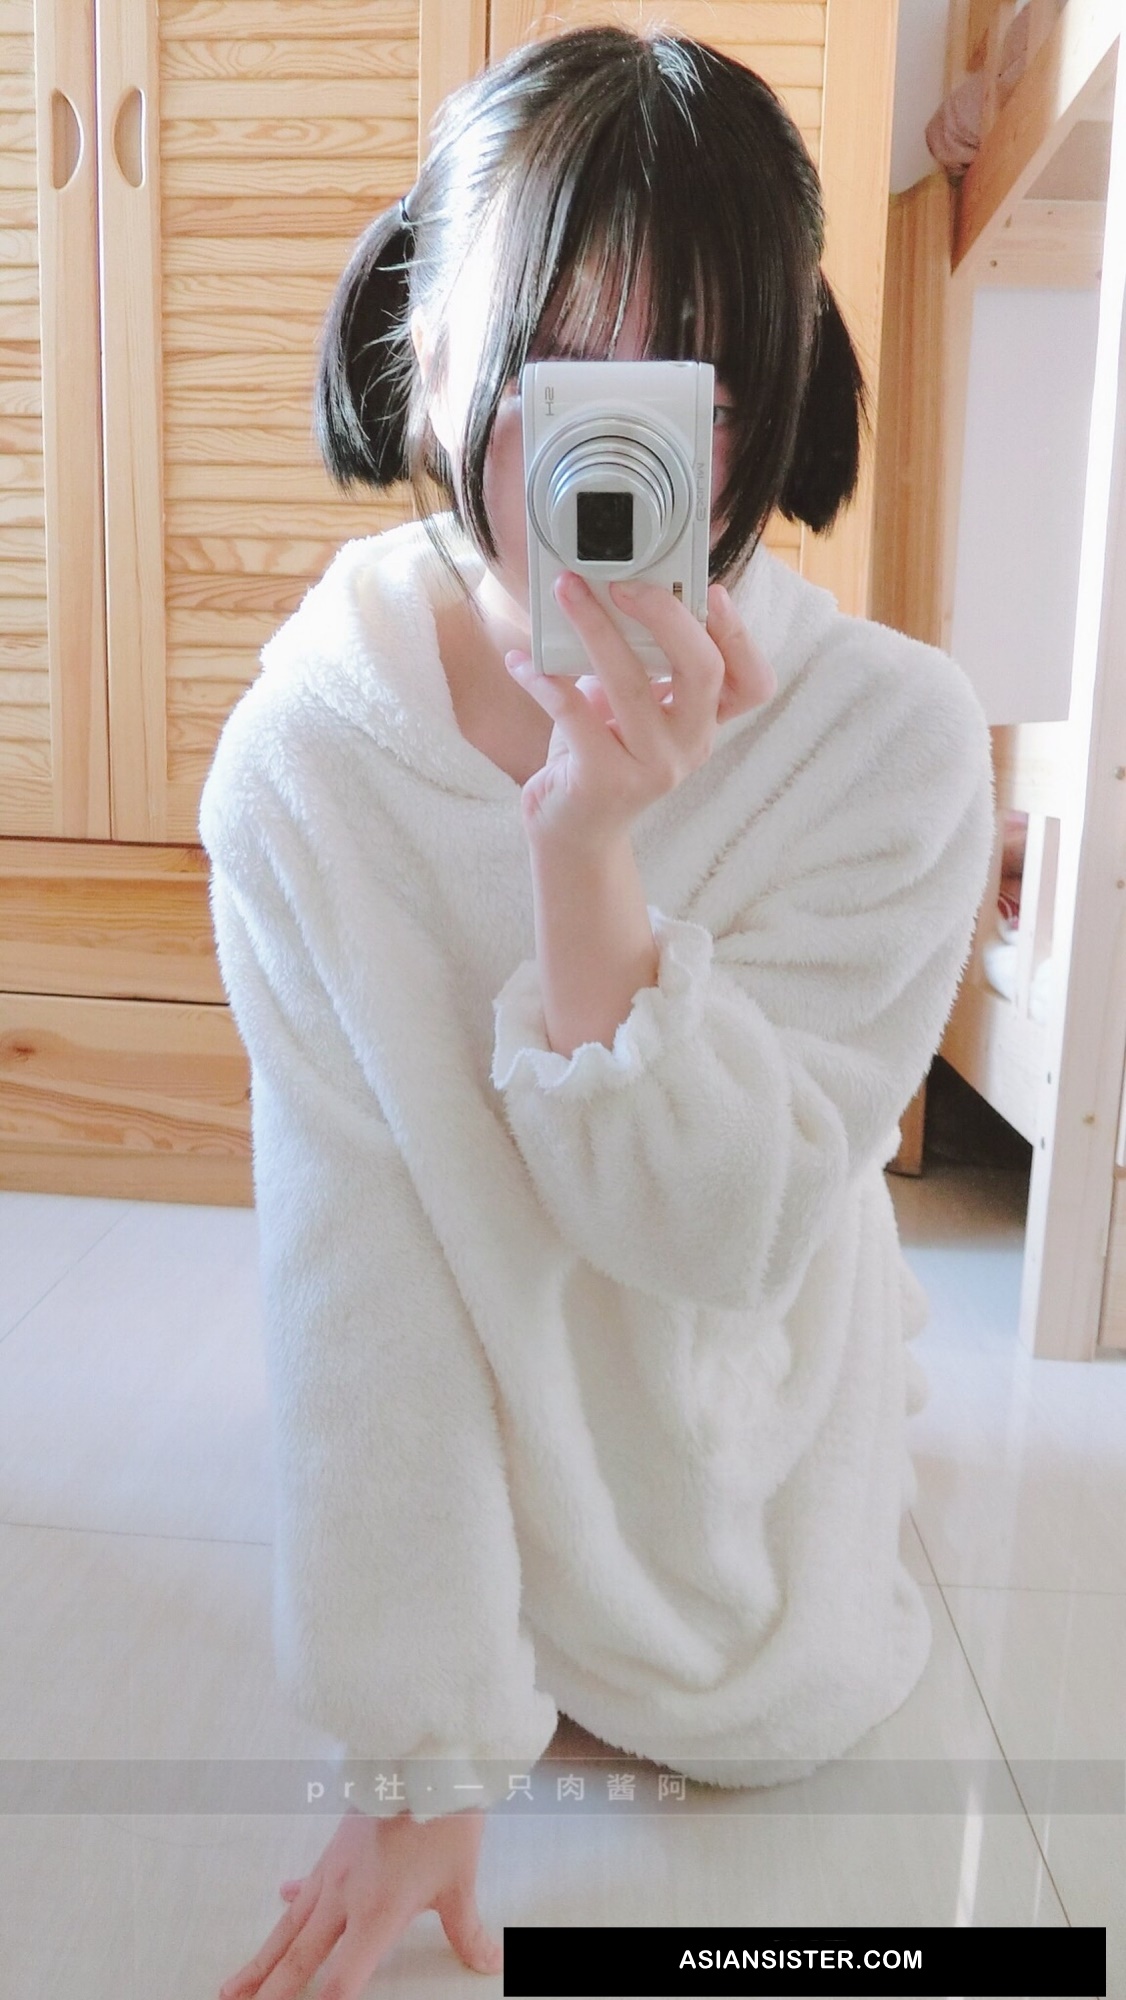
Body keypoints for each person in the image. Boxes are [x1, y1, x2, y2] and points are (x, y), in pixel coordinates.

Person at [200, 25, 995, 1997]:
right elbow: (352, 1264)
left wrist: (585, 856)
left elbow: (720, 1236)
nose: (610, 458)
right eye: (553, 369)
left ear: (761, 410)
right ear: (428, 354)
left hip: (725, 1416)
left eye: (680, 387)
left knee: (740, 1698)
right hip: (468, 1374)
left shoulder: (887, 744)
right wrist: (418, 1745)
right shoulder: (311, 757)